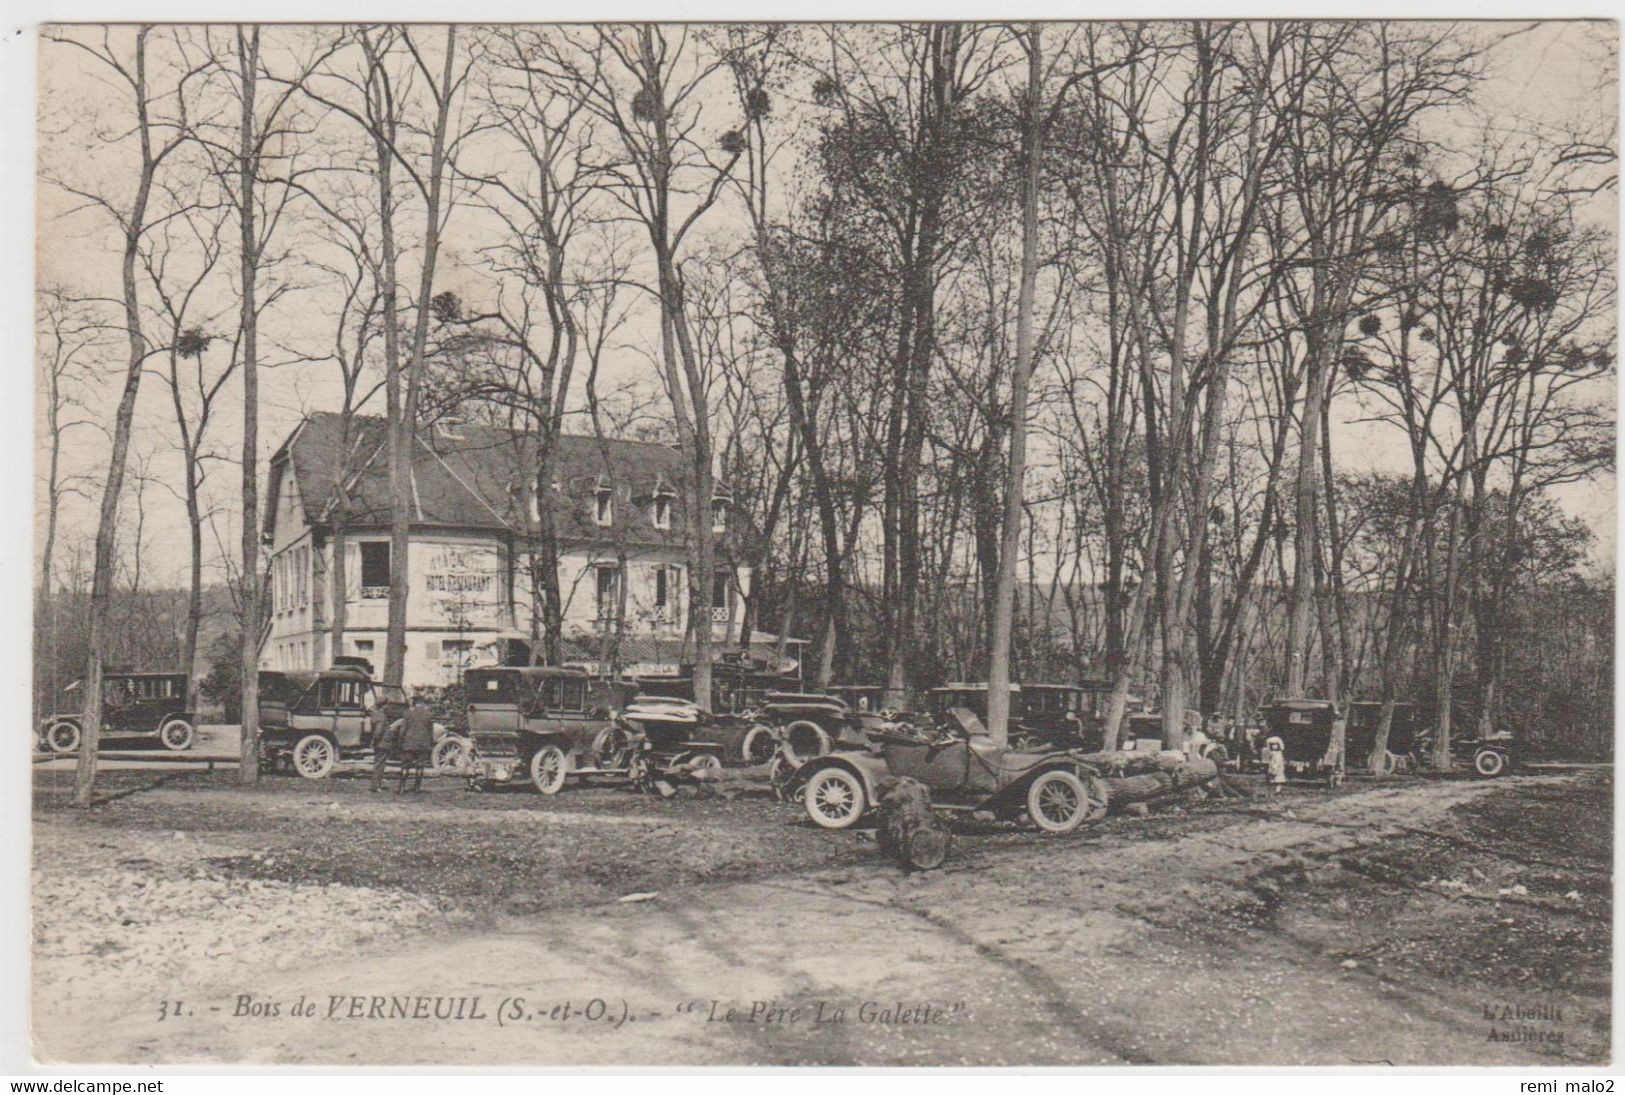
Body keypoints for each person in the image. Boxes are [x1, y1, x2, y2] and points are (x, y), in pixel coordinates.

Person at [397, 696, 435, 794]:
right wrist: (430, 743)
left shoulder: (408, 714)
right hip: (423, 744)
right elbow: (431, 732)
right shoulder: (429, 714)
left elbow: (402, 730)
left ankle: (402, 788)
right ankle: (417, 788)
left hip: (409, 743)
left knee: (405, 766)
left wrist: (400, 741)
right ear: (422, 703)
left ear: (414, 703)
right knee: (420, 766)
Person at [368, 701, 395, 793]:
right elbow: (378, 731)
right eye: (386, 705)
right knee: (380, 764)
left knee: (378, 763)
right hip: (383, 743)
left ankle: (375, 785)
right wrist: (376, 740)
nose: (387, 706)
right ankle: (376, 786)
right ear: (383, 706)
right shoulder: (382, 716)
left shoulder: (375, 715)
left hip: (379, 743)